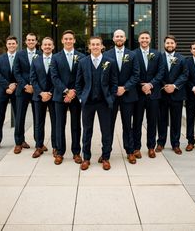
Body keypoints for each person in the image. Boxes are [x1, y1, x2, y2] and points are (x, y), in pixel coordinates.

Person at [75, 36, 118, 171]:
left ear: (102, 46)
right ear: (89, 47)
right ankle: (86, 158)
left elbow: (114, 83)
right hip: (88, 102)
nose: (95, 47)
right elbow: (78, 83)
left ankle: (105, 157)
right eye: (92, 44)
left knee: (106, 131)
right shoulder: (82, 62)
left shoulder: (110, 62)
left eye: (97, 44)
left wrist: (110, 98)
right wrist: (81, 97)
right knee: (87, 131)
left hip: (104, 102)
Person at [105, 29, 139, 164]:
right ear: (113, 39)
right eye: (117, 36)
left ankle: (130, 151)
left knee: (127, 125)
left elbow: (136, 74)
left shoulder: (132, 55)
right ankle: (106, 152)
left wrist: (124, 88)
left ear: (125, 39)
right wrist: (115, 89)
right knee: (108, 125)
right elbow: (104, 76)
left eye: (121, 36)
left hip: (128, 95)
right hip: (112, 96)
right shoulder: (106, 54)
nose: (119, 38)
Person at [50, 30, 85, 165]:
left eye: (71, 39)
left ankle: (76, 152)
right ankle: (59, 152)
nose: (68, 41)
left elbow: (82, 77)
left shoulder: (81, 57)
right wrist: (66, 91)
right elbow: (54, 77)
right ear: (62, 41)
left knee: (76, 125)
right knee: (59, 125)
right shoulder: (56, 57)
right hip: (60, 96)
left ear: (74, 40)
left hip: (75, 97)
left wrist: (73, 92)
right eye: (66, 39)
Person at [133, 30, 164, 158]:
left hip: (153, 93)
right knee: (137, 122)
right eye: (142, 38)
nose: (144, 40)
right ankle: (136, 148)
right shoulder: (133, 54)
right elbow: (133, 73)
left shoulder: (157, 54)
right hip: (138, 94)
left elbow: (161, 72)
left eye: (146, 38)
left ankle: (151, 147)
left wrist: (150, 85)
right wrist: (142, 85)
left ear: (150, 40)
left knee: (152, 121)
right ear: (139, 40)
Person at [156, 35, 188, 154]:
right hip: (162, 94)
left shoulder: (182, 59)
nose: (170, 45)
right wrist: (165, 86)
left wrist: (174, 86)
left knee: (176, 120)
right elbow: (157, 73)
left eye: (172, 43)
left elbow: (185, 75)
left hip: (177, 94)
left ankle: (175, 144)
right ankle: (160, 143)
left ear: (175, 45)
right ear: (164, 44)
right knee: (161, 119)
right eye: (168, 43)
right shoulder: (159, 57)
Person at [13, 33, 42, 154]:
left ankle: (38, 143)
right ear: (25, 42)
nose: (31, 42)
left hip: (36, 90)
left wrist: (34, 87)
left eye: (33, 40)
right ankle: (19, 142)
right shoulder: (19, 54)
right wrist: (26, 85)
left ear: (36, 42)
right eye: (29, 40)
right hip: (23, 90)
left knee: (38, 118)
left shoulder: (40, 54)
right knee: (20, 117)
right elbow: (16, 72)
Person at [30, 37, 57, 158]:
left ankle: (56, 147)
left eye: (49, 45)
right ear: (41, 47)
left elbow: (58, 79)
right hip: (38, 97)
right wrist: (41, 93)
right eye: (45, 45)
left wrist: (50, 93)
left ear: (53, 46)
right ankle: (39, 146)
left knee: (55, 123)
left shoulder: (57, 59)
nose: (47, 46)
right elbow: (33, 79)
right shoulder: (35, 61)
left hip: (53, 96)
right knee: (38, 122)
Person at [0, 36, 18, 151]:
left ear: (16, 45)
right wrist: (8, 86)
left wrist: (14, 85)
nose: (11, 45)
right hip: (3, 91)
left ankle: (20, 141)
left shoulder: (20, 58)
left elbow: (23, 73)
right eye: (9, 43)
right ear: (6, 45)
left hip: (17, 91)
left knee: (19, 117)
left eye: (13, 43)